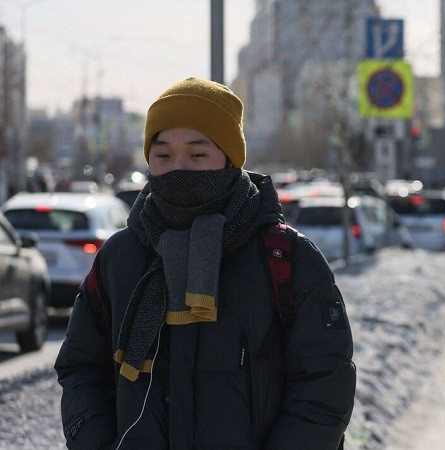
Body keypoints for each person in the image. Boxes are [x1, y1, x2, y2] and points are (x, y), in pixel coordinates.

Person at [55, 77, 357, 449]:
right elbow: (82, 368)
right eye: (163, 155)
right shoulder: (119, 258)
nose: (179, 168)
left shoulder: (286, 259)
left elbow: (323, 387)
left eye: (197, 155)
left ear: (230, 159)